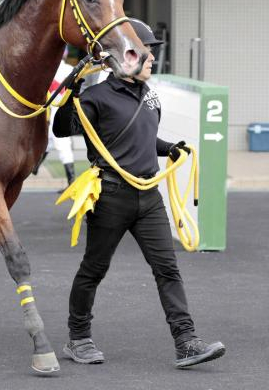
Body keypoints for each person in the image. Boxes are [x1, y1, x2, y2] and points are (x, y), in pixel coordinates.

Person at [53, 18, 225, 369]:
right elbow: (60, 128)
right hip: (110, 198)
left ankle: (186, 342)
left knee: (168, 269)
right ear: (125, 57)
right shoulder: (95, 97)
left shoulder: (149, 95)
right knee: (94, 270)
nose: (151, 60)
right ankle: (79, 338)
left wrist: (170, 147)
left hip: (148, 198)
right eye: (147, 53)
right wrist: (73, 88)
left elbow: (141, 140)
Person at [48, 49, 76, 187]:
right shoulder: (70, 68)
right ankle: (33, 168)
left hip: (58, 108)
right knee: (48, 141)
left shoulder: (50, 68)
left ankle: (71, 182)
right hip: (60, 108)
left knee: (61, 144)